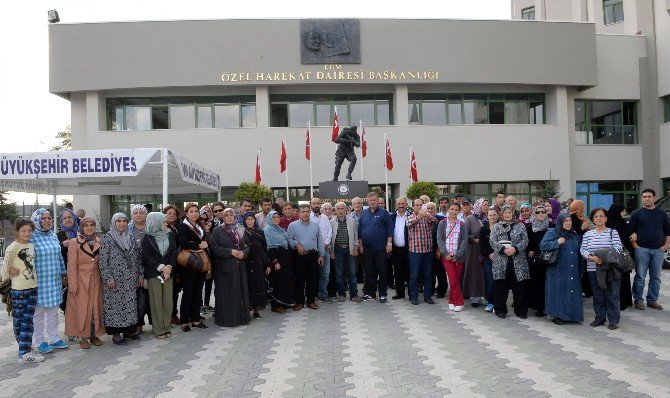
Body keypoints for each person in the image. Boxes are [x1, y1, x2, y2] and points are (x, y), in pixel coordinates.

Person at [2, 219, 44, 363]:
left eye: (29, 231)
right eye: (23, 231)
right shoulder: (13, 247)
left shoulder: (31, 245)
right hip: (18, 290)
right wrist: (9, 271)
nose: (27, 233)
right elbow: (4, 267)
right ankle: (24, 353)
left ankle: (24, 349)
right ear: (17, 232)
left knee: (27, 321)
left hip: (33, 288)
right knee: (20, 321)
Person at [100, 213, 143, 345]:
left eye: (124, 221)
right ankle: (116, 333)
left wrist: (140, 275)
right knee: (115, 307)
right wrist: (108, 278)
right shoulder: (107, 238)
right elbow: (102, 261)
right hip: (115, 280)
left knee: (129, 305)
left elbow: (138, 258)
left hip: (130, 279)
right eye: (118, 221)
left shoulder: (130, 238)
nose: (122, 224)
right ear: (114, 223)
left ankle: (129, 331)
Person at [30, 209, 69, 354]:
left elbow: (59, 256)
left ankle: (54, 338)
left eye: (49, 218)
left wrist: (63, 273)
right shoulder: (31, 237)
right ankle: (39, 341)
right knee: (38, 313)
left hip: (53, 280)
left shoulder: (53, 236)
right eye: (44, 218)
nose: (47, 221)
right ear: (37, 220)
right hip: (39, 282)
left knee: (53, 311)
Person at [65, 217, 105, 349]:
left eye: (92, 225)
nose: (89, 228)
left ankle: (94, 335)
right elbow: (71, 265)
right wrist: (73, 284)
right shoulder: (74, 242)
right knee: (82, 309)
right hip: (81, 281)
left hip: (96, 281)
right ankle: (82, 336)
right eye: (86, 225)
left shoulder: (99, 241)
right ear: (81, 227)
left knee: (95, 308)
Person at [580, 208, 623, 330]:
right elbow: (583, 250)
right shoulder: (588, 234)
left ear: (606, 218)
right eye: (596, 216)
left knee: (612, 295)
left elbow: (618, 248)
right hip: (593, 269)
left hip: (610, 269)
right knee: (598, 295)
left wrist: (604, 258)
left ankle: (613, 320)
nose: (599, 218)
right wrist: (592, 258)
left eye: (601, 216)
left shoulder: (612, 232)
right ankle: (599, 318)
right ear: (593, 219)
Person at [629, 188, 670, 310]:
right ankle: (638, 300)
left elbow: (667, 231)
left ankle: (652, 300)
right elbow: (630, 232)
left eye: (649, 196)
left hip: (658, 250)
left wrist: (666, 245)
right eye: (645, 197)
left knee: (656, 277)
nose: (647, 199)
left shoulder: (662, 213)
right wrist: (636, 246)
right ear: (642, 198)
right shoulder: (636, 214)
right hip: (642, 249)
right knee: (640, 276)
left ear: (654, 197)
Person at [540, 212, 583, 325]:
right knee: (558, 292)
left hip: (572, 269)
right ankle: (558, 315)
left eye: (570, 221)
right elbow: (542, 245)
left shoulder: (574, 234)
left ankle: (573, 315)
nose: (568, 223)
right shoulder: (553, 232)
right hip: (557, 269)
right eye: (565, 221)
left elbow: (578, 253)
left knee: (572, 291)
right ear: (560, 222)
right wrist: (557, 242)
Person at [210, 208, 251, 326]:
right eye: (226, 215)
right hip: (225, 268)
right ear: (223, 217)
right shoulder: (217, 231)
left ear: (234, 217)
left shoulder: (241, 229)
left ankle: (242, 318)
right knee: (227, 293)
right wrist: (230, 252)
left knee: (240, 292)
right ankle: (227, 320)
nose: (229, 217)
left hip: (240, 267)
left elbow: (247, 245)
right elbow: (214, 247)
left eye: (231, 215)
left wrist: (244, 253)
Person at [489, 205, 530, 319]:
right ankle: (500, 310)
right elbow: (492, 241)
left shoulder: (520, 226)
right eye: (505, 212)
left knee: (520, 286)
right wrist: (503, 250)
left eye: (509, 212)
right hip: (501, 261)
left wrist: (515, 249)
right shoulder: (497, 227)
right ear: (501, 214)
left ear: (513, 213)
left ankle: (521, 310)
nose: (507, 214)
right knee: (501, 285)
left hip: (518, 260)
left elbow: (525, 240)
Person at [141, 212, 176, 339]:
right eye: (164, 222)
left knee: (168, 302)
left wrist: (169, 268)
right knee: (156, 302)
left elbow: (173, 253)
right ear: (155, 223)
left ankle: (166, 327)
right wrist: (161, 267)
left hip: (168, 273)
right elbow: (146, 257)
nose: (166, 224)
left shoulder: (170, 236)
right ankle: (158, 329)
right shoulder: (147, 238)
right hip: (154, 273)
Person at [176, 203, 209, 331]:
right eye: (191, 211)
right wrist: (199, 245)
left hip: (200, 264)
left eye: (196, 211)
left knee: (198, 292)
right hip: (188, 264)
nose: (194, 213)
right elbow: (183, 243)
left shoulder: (199, 225)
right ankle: (185, 321)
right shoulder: (183, 226)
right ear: (186, 213)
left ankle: (195, 319)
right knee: (188, 293)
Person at [288, 204, 326, 310]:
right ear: (298, 213)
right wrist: (297, 244)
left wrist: (321, 255)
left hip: (313, 255)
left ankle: (311, 301)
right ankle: (300, 302)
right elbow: (289, 239)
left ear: (310, 212)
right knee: (299, 279)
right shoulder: (293, 225)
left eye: (307, 211)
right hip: (299, 256)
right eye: (303, 212)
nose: (305, 214)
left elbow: (320, 241)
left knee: (312, 280)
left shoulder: (315, 225)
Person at [358, 192, 393, 303]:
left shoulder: (384, 213)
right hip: (367, 248)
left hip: (381, 248)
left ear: (378, 201)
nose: (372, 202)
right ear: (367, 202)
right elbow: (360, 231)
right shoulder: (363, 213)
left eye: (374, 200)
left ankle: (383, 294)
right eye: (370, 200)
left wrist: (389, 244)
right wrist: (361, 245)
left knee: (382, 271)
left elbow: (390, 230)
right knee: (369, 272)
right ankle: (370, 294)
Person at [437, 203, 469, 311]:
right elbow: (439, 239)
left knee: (456, 280)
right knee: (453, 279)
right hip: (447, 257)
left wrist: (458, 255)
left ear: (459, 211)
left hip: (459, 257)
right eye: (452, 209)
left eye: (456, 210)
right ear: (449, 210)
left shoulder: (463, 224)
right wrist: (445, 254)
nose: (453, 212)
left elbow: (465, 241)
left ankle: (451, 300)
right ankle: (460, 302)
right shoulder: (442, 223)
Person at [406, 198, 437, 305]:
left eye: (421, 205)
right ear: (413, 207)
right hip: (415, 251)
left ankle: (427, 296)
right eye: (417, 205)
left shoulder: (426, 217)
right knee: (414, 275)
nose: (419, 207)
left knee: (428, 275)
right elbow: (409, 224)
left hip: (428, 250)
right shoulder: (410, 217)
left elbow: (435, 221)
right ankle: (413, 297)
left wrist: (428, 215)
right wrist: (419, 216)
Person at [525, 205, 554, 317]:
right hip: (535, 260)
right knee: (536, 284)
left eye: (543, 212)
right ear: (534, 214)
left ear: (547, 213)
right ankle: (539, 308)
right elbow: (525, 242)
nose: (541, 214)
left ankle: (548, 306)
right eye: (538, 212)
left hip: (549, 260)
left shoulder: (552, 226)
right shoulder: (529, 228)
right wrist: (528, 251)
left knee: (547, 284)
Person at [330, 202, 360, 303]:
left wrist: (356, 248)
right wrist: (331, 251)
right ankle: (342, 294)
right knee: (339, 274)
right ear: (335, 210)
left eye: (342, 208)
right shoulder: (331, 222)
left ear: (346, 210)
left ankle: (354, 295)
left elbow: (356, 235)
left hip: (350, 250)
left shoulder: (352, 221)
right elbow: (330, 238)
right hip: (337, 250)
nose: (340, 211)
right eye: (338, 209)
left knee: (352, 274)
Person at [606, 203, 634, 310]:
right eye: (623, 211)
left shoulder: (613, 224)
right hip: (618, 257)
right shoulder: (616, 225)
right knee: (619, 279)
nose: (624, 213)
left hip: (618, 257)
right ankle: (621, 302)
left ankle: (620, 302)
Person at [264, 210, 293, 313]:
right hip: (276, 258)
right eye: (274, 217)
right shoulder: (268, 230)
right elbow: (268, 248)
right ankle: (275, 305)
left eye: (278, 217)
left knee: (284, 280)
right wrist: (275, 261)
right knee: (277, 281)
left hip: (285, 258)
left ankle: (284, 302)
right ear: (269, 219)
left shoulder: (279, 229)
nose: (277, 219)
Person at [242, 211, 270, 319]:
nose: (250, 221)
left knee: (258, 285)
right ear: (244, 221)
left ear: (255, 220)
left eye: (252, 219)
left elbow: (264, 249)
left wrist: (267, 264)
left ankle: (256, 310)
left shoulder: (259, 232)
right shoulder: (241, 232)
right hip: (246, 264)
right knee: (247, 286)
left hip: (258, 264)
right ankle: (247, 309)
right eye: (247, 219)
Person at [463, 199, 486, 308]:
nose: (486, 206)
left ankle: (485, 295)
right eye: (484, 205)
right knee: (475, 273)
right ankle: (474, 297)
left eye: (487, 205)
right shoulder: (470, 219)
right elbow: (465, 234)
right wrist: (475, 240)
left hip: (487, 249)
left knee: (485, 273)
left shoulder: (488, 218)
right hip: (474, 249)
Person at [310, 198, 333, 304]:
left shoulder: (324, 217)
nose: (316, 205)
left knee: (325, 273)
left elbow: (329, 231)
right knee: (313, 274)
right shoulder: (308, 217)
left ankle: (323, 295)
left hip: (325, 249)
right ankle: (313, 295)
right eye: (314, 203)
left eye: (318, 203)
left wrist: (326, 242)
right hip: (313, 251)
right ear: (311, 205)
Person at [163, 205, 182, 325]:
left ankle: (174, 314)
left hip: (179, 262)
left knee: (175, 291)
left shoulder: (177, 227)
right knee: (169, 292)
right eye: (169, 213)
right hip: (169, 263)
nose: (172, 216)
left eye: (174, 214)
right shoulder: (164, 227)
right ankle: (169, 315)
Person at [57, 208, 79, 312]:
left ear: (74, 218)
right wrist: (62, 245)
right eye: (64, 218)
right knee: (68, 305)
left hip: (81, 274)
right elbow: (55, 255)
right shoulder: (58, 236)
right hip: (66, 276)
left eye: (69, 217)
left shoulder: (81, 233)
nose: (67, 220)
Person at [479, 208, 499, 312]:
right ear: (487, 216)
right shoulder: (483, 229)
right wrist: (489, 254)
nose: (492, 217)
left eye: (494, 215)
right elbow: (482, 246)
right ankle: (490, 302)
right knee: (490, 281)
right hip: (488, 258)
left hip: (500, 257)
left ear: (498, 216)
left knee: (499, 281)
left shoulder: (502, 227)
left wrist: (497, 253)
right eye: (490, 215)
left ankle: (498, 304)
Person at [391, 197, 409, 299]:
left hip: (409, 249)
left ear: (406, 204)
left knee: (410, 272)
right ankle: (400, 293)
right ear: (396, 205)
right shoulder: (392, 217)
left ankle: (411, 293)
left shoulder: (411, 216)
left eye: (403, 203)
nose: (401, 205)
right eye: (399, 204)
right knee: (398, 272)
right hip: (396, 249)